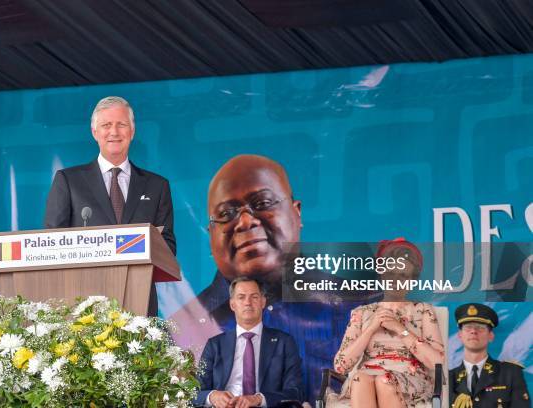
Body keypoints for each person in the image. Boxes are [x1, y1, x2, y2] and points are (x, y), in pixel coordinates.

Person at [171, 154, 361, 404]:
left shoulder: (358, 306)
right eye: (226, 214)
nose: (245, 222)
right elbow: (189, 394)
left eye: (262, 203)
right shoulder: (179, 329)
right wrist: (213, 397)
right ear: (210, 235)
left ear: (297, 213)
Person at [44, 96, 176, 316]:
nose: (114, 132)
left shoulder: (157, 186)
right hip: (83, 304)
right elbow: (52, 243)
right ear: (95, 132)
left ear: (132, 132)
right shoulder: (68, 180)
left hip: (139, 303)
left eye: (121, 124)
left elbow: (169, 247)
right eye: (106, 125)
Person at [332, 238, 445, 408]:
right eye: (391, 273)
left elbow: (437, 361)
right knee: (359, 378)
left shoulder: (423, 310)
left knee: (384, 381)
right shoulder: (362, 313)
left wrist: (400, 329)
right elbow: (341, 366)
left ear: (412, 281)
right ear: (382, 274)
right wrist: (370, 329)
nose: (395, 280)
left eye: (403, 275)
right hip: (366, 377)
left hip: (407, 380)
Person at [195, 277, 303, 408]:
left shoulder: (284, 342)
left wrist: (258, 399)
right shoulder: (214, 345)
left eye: (254, 297)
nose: (248, 302)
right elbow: (195, 392)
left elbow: (295, 391)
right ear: (232, 304)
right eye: (241, 297)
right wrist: (212, 396)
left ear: (263, 302)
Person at [449, 303, 529, 408]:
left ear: (491, 336)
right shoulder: (448, 378)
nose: (473, 331)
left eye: (480, 328)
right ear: (460, 335)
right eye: (468, 328)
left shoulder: (511, 373)